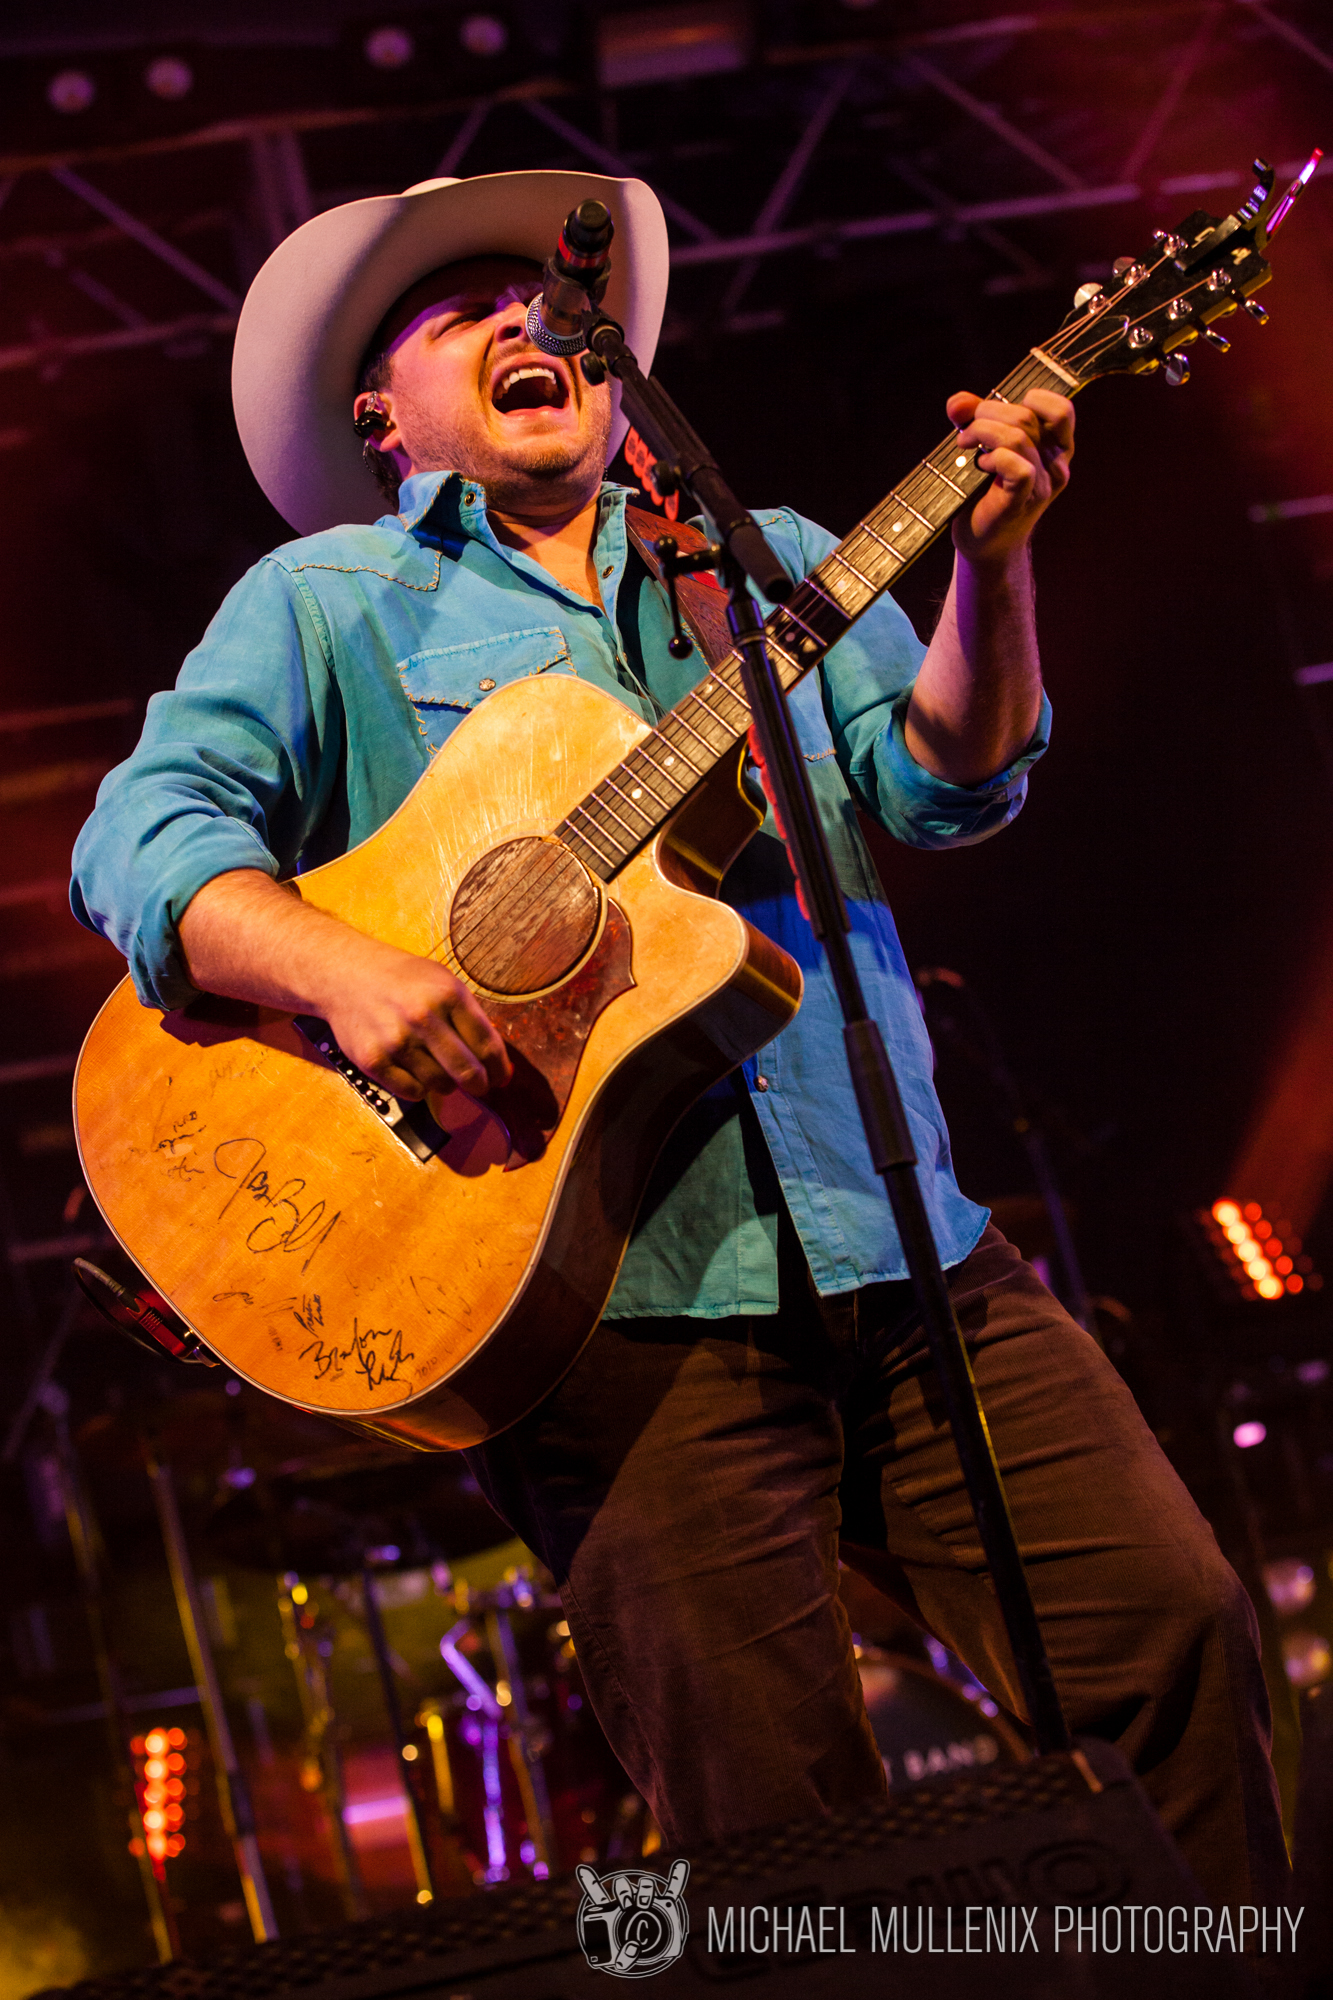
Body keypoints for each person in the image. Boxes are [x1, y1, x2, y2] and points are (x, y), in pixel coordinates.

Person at [71, 169, 1286, 1905]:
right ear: (380, 414)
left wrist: (993, 576)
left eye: (540, 300)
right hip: (610, 1323)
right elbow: (143, 839)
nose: (522, 322)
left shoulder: (764, 561)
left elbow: (943, 790)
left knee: (1173, 1639)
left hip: (907, 1254)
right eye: (460, 310)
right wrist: (349, 975)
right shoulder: (329, 601)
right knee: (788, 1836)